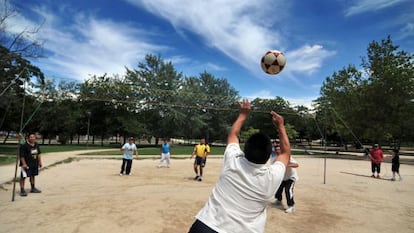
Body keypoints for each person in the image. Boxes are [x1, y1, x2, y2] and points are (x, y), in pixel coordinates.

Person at [188, 99, 291, 233]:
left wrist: (243, 115)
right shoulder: (272, 176)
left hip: (206, 226)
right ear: (268, 156)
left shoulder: (233, 160)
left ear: (244, 150)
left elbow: (233, 134)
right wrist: (281, 127)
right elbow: (285, 152)